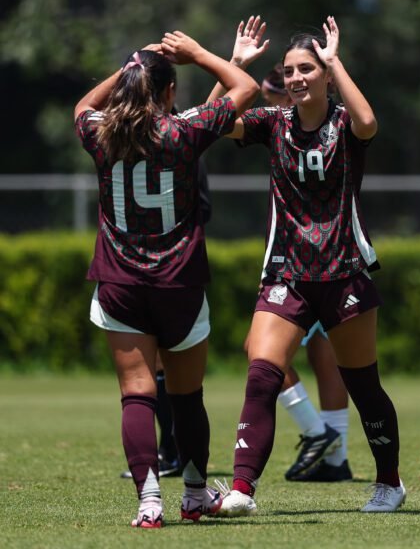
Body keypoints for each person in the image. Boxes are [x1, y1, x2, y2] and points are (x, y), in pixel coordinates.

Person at [209, 15, 405, 515]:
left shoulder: (344, 123)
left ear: (324, 74)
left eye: (306, 69)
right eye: (289, 71)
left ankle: (389, 484)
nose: (295, 79)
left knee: (364, 385)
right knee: (261, 373)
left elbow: (368, 122)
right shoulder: (272, 124)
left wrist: (337, 62)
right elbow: (205, 124)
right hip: (287, 274)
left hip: (344, 274)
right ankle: (242, 491)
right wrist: (233, 66)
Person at [74, 32, 259, 528]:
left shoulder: (101, 134)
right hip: (178, 282)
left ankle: (149, 502)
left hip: (120, 282)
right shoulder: (184, 131)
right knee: (186, 396)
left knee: (137, 393)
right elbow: (245, 87)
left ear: (127, 87)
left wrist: (132, 65)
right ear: (172, 91)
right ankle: (195, 496)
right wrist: (199, 54)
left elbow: (82, 106)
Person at [260, 65, 352, 483]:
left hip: (307, 263)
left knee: (262, 352)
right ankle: (337, 458)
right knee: (325, 359)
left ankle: (320, 436)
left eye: (268, 94)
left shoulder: (313, 126)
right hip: (320, 260)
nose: (266, 101)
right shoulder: (287, 127)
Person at [120, 156, 212, 480]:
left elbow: (202, 206)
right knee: (169, 382)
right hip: (171, 273)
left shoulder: (121, 135)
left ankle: (168, 459)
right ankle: (182, 474)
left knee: (157, 380)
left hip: (152, 272)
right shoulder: (187, 134)